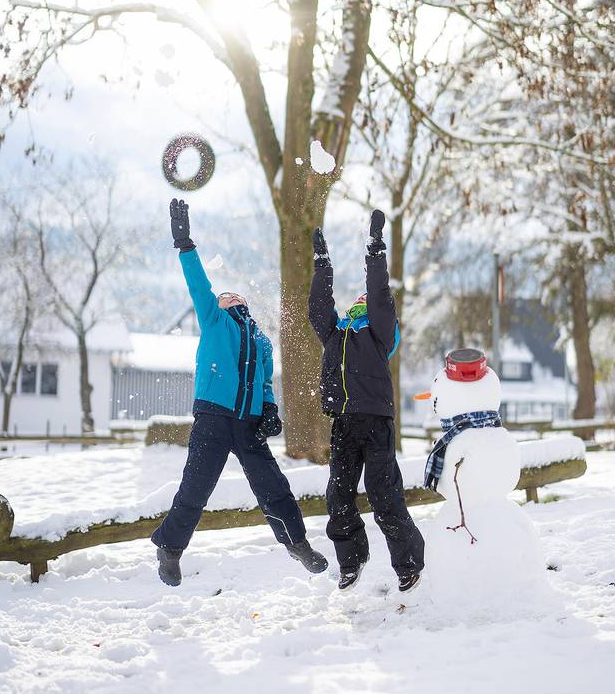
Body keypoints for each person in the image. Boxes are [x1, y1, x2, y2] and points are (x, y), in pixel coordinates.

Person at [151, 199, 328, 586]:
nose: (230, 297)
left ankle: (298, 543)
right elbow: (200, 284)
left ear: (246, 305)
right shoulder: (214, 320)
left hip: (248, 425)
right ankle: (170, 548)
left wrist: (269, 410)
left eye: (236, 296)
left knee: (273, 487)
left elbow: (266, 382)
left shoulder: (261, 340)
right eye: (225, 296)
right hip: (213, 418)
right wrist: (185, 244)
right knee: (196, 488)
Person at [309, 209, 425, 593]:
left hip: (376, 422)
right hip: (342, 422)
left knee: (382, 493)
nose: (362, 299)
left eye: (367, 299)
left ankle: (408, 563)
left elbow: (378, 292)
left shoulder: (379, 331)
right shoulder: (336, 333)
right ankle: (351, 558)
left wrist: (375, 249)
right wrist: (322, 264)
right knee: (338, 495)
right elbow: (318, 309)